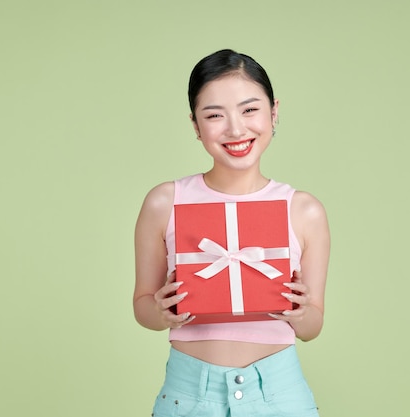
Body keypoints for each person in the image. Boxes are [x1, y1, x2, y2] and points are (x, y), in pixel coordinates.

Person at [133, 49, 330, 417]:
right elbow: (142, 305)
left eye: (250, 109)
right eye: (214, 116)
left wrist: (301, 311)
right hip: (188, 396)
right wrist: (161, 312)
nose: (236, 129)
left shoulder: (304, 210)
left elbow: (313, 325)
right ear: (195, 125)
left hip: (281, 397)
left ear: (273, 112)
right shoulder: (165, 202)